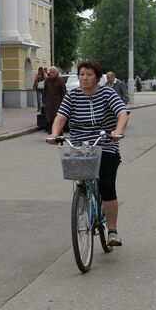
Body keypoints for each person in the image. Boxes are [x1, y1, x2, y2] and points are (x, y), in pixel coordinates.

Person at [47, 60, 130, 246]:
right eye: (81, 74)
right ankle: (84, 196)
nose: (84, 78)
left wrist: (118, 131)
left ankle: (113, 231)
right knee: (81, 178)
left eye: (89, 75)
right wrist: (54, 134)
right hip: (80, 146)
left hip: (105, 144)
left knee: (107, 185)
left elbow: (122, 113)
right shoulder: (72, 96)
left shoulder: (107, 93)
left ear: (97, 78)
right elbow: (60, 117)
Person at [42, 66, 67, 134]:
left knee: (57, 118)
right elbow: (44, 91)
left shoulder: (60, 81)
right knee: (49, 118)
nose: (52, 74)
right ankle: (50, 132)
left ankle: (59, 132)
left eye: (53, 72)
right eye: (50, 72)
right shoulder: (47, 81)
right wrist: (43, 100)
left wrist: (64, 102)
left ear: (56, 73)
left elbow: (64, 92)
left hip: (58, 103)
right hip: (48, 103)